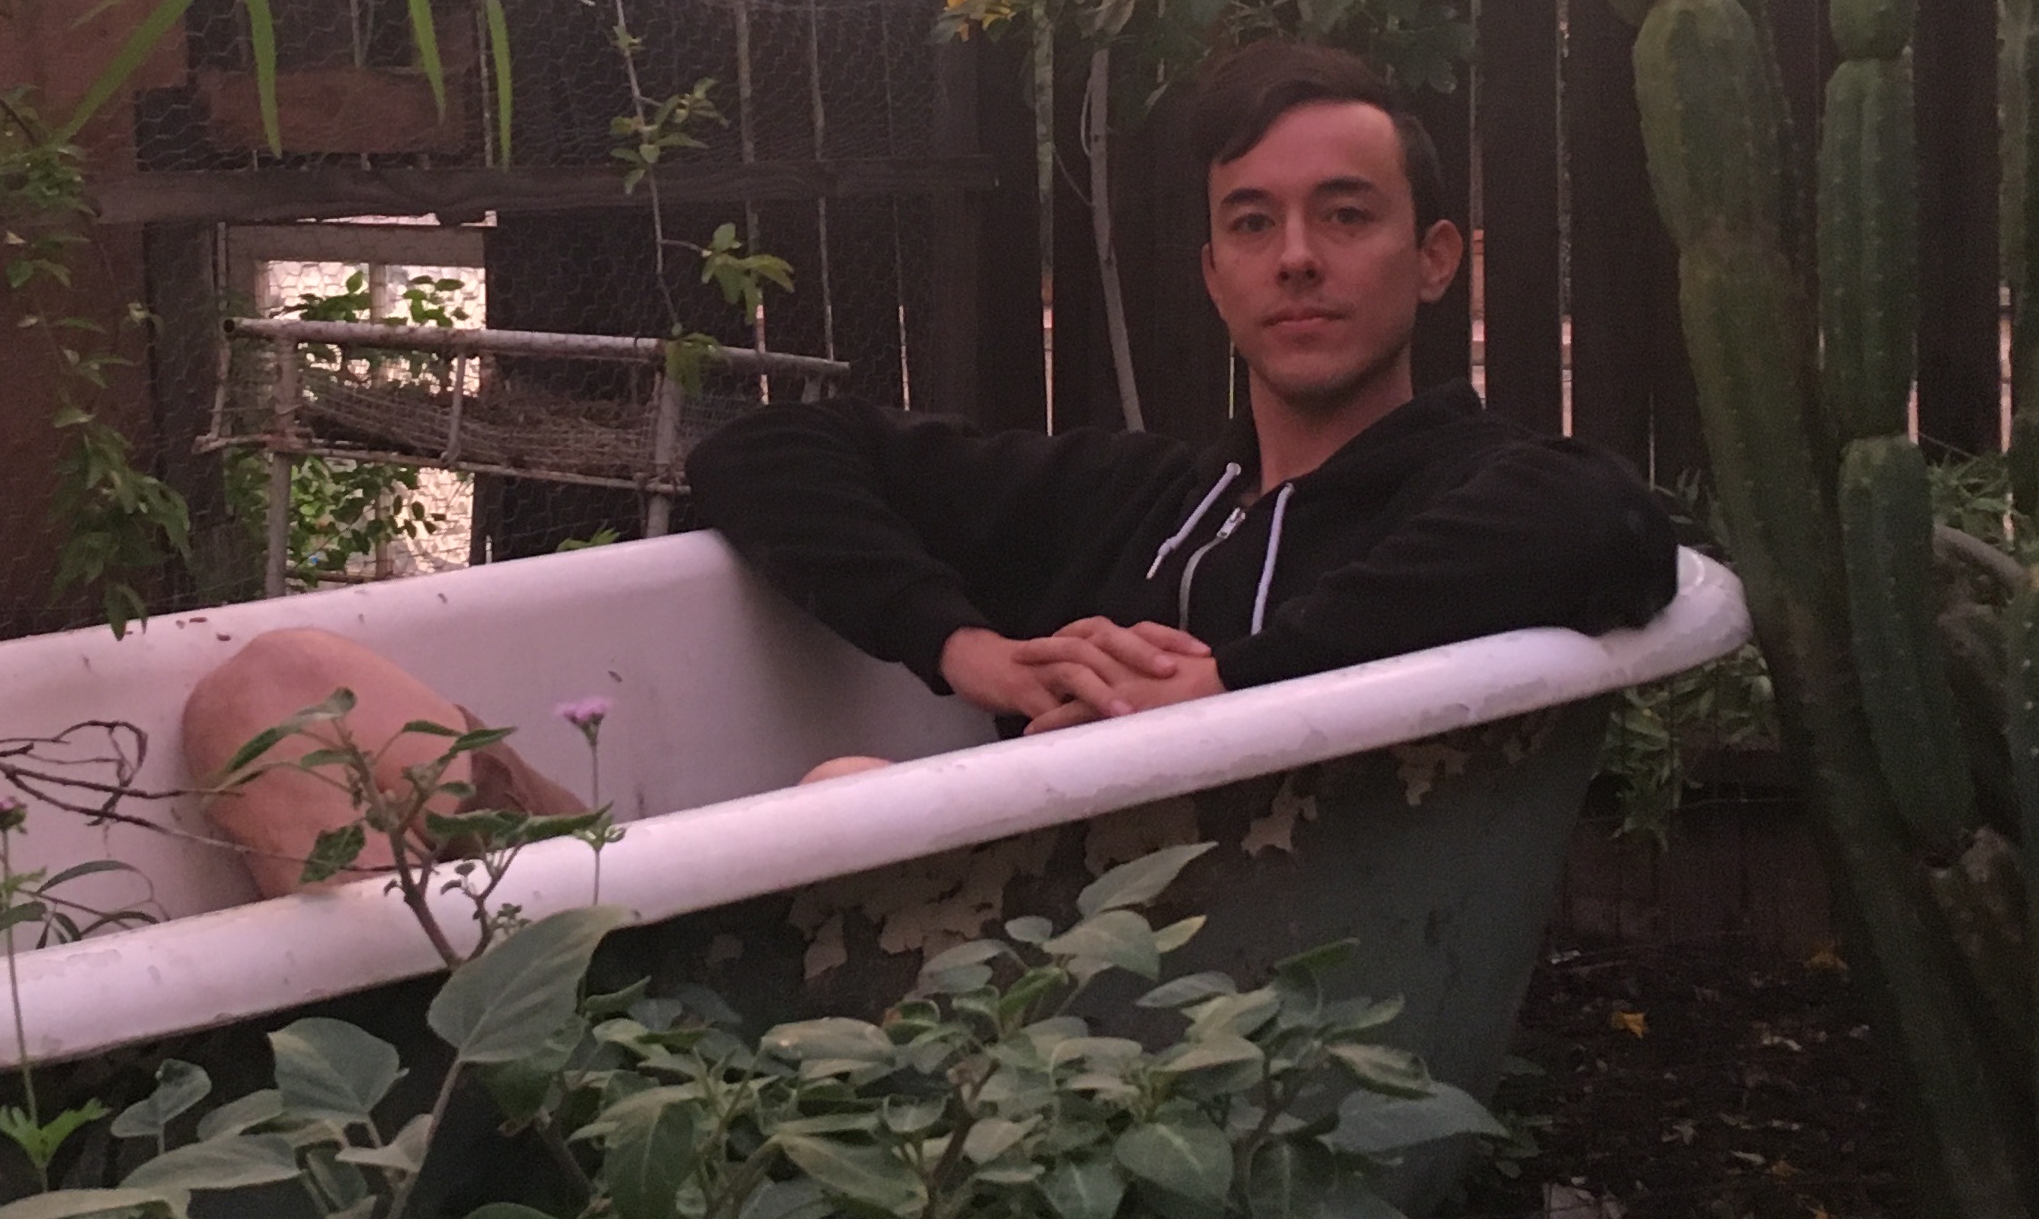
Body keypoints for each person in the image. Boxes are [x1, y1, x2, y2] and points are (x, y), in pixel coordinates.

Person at [688, 37, 1679, 738]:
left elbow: (1606, 527)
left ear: (1434, 260)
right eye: (1252, 224)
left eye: (1344, 215)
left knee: (836, 793)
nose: (1295, 259)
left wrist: (1226, 687)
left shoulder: (1467, 491)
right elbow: (761, 454)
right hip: (1021, 966)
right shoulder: (1131, 498)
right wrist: (965, 649)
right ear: (1214, 275)